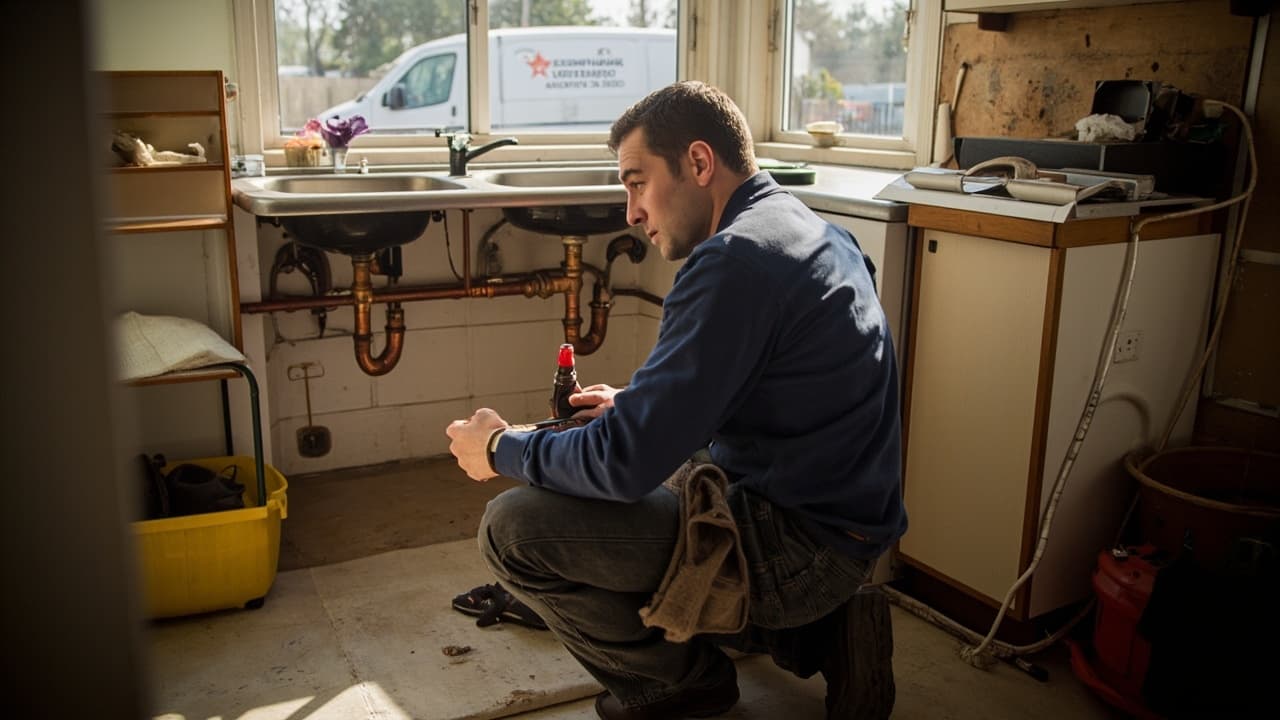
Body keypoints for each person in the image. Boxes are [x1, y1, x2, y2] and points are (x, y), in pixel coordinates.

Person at [446, 80, 906, 720]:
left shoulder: (730, 262)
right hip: (848, 530)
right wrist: (641, 405)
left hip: (796, 550)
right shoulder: (814, 233)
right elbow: (777, 384)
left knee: (514, 530)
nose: (630, 210)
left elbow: (621, 465)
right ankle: (826, 632)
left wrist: (497, 447)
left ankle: (678, 684)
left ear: (697, 162)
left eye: (637, 181)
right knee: (663, 471)